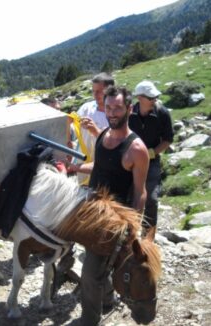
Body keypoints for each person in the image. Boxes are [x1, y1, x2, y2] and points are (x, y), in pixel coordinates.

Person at [69, 85, 149, 326]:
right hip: (94, 213)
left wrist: (132, 230)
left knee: (90, 275)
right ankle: (107, 301)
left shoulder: (137, 150)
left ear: (129, 108)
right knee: (96, 263)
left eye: (118, 108)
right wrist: (76, 167)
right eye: (109, 107)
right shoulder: (103, 136)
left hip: (115, 223)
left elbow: (140, 191)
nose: (112, 112)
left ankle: (89, 320)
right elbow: (100, 167)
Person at [129, 80, 174, 239]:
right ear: (140, 97)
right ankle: (127, 235)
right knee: (126, 195)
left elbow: (168, 139)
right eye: (151, 97)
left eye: (155, 96)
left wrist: (152, 153)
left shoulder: (162, 113)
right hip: (129, 161)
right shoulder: (129, 113)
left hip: (151, 161)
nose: (155, 99)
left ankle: (148, 239)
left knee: (152, 200)